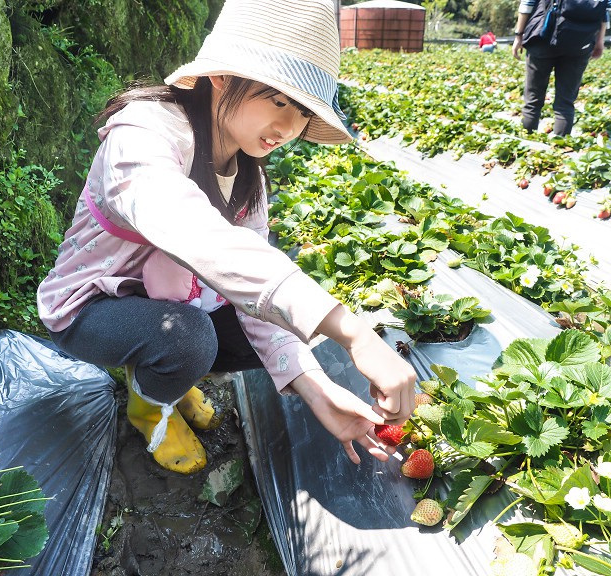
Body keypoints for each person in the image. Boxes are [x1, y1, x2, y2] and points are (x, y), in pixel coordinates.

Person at [37, 0, 416, 475]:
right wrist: (354, 333)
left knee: (272, 326)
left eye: (302, 112)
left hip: (170, 301)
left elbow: (254, 272)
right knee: (190, 339)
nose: (286, 127)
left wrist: (317, 390)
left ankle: (166, 371)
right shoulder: (142, 136)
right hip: (90, 307)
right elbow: (194, 231)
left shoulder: (246, 177)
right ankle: (150, 405)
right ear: (221, 75)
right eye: (277, 100)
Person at [512, 0, 611, 136]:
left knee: (533, 100)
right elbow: (605, 11)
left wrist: (519, 35)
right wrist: (599, 41)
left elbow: (528, 3)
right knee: (565, 103)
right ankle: (560, 148)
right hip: (579, 42)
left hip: (543, 37)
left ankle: (524, 145)